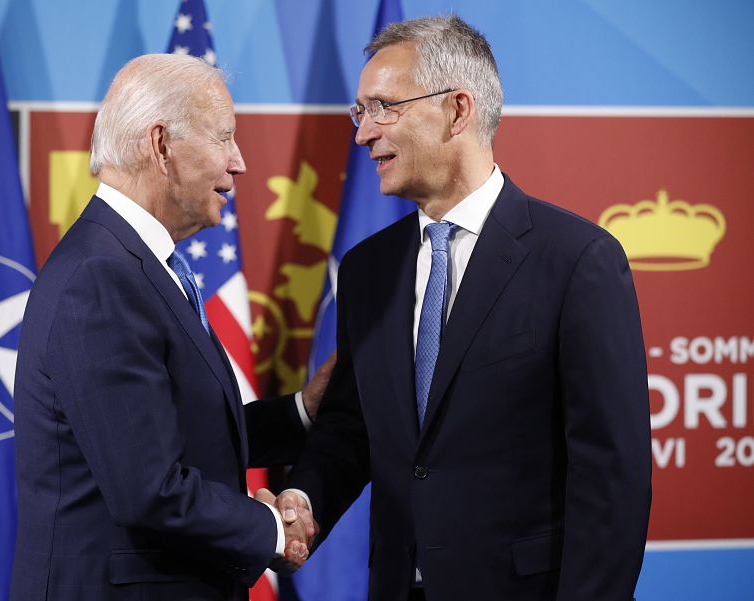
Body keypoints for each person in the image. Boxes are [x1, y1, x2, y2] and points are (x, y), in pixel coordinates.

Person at [275, 15, 652, 601]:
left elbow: (611, 477)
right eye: (360, 112)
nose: (363, 134)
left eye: (382, 107)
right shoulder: (367, 269)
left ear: (457, 109)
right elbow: (352, 425)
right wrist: (305, 499)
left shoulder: (576, 260)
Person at [10, 54, 328, 601]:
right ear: (160, 145)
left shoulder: (132, 263)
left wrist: (300, 413)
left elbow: (169, 433)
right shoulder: (101, 278)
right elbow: (149, 488)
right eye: (224, 139)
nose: (241, 162)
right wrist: (275, 530)